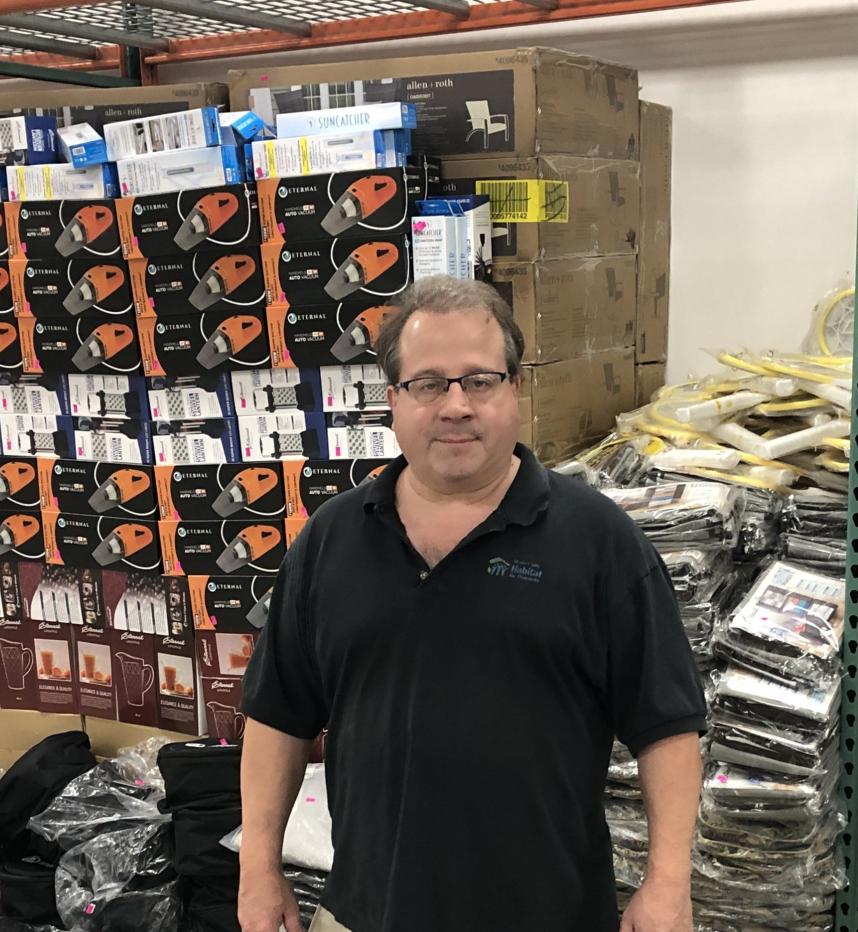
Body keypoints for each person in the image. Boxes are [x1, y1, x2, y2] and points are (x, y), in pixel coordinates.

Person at [237, 277, 706, 932]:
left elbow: (668, 726)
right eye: (429, 383)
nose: (456, 405)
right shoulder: (331, 540)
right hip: (365, 913)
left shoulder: (600, 542)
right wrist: (257, 868)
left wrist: (667, 881)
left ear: (514, 389)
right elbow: (277, 718)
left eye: (480, 381)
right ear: (394, 400)